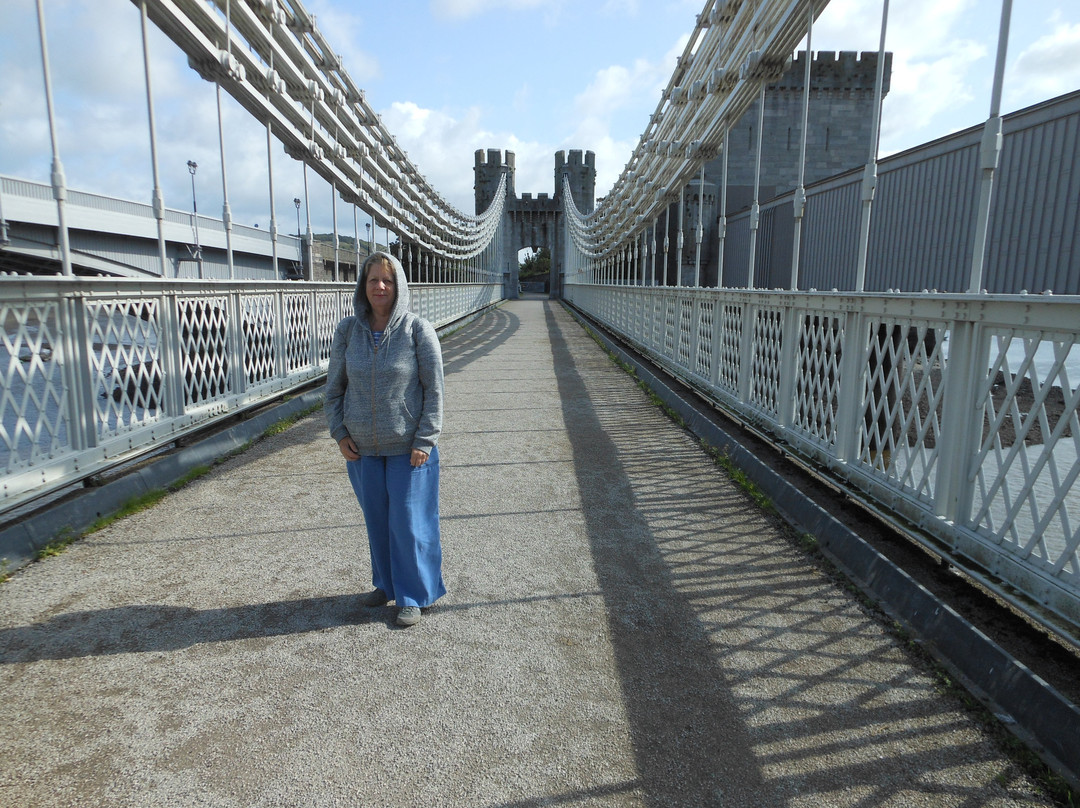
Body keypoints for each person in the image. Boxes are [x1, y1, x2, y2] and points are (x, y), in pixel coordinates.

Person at [325, 251, 446, 627]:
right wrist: (339, 433)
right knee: (377, 520)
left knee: (409, 523)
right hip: (362, 449)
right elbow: (333, 390)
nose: (379, 286)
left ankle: (414, 595)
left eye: (388, 281)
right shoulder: (348, 331)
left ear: (399, 287)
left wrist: (425, 440)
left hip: (409, 448)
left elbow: (434, 391)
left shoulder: (417, 330)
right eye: (373, 279)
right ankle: (387, 585)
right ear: (363, 286)